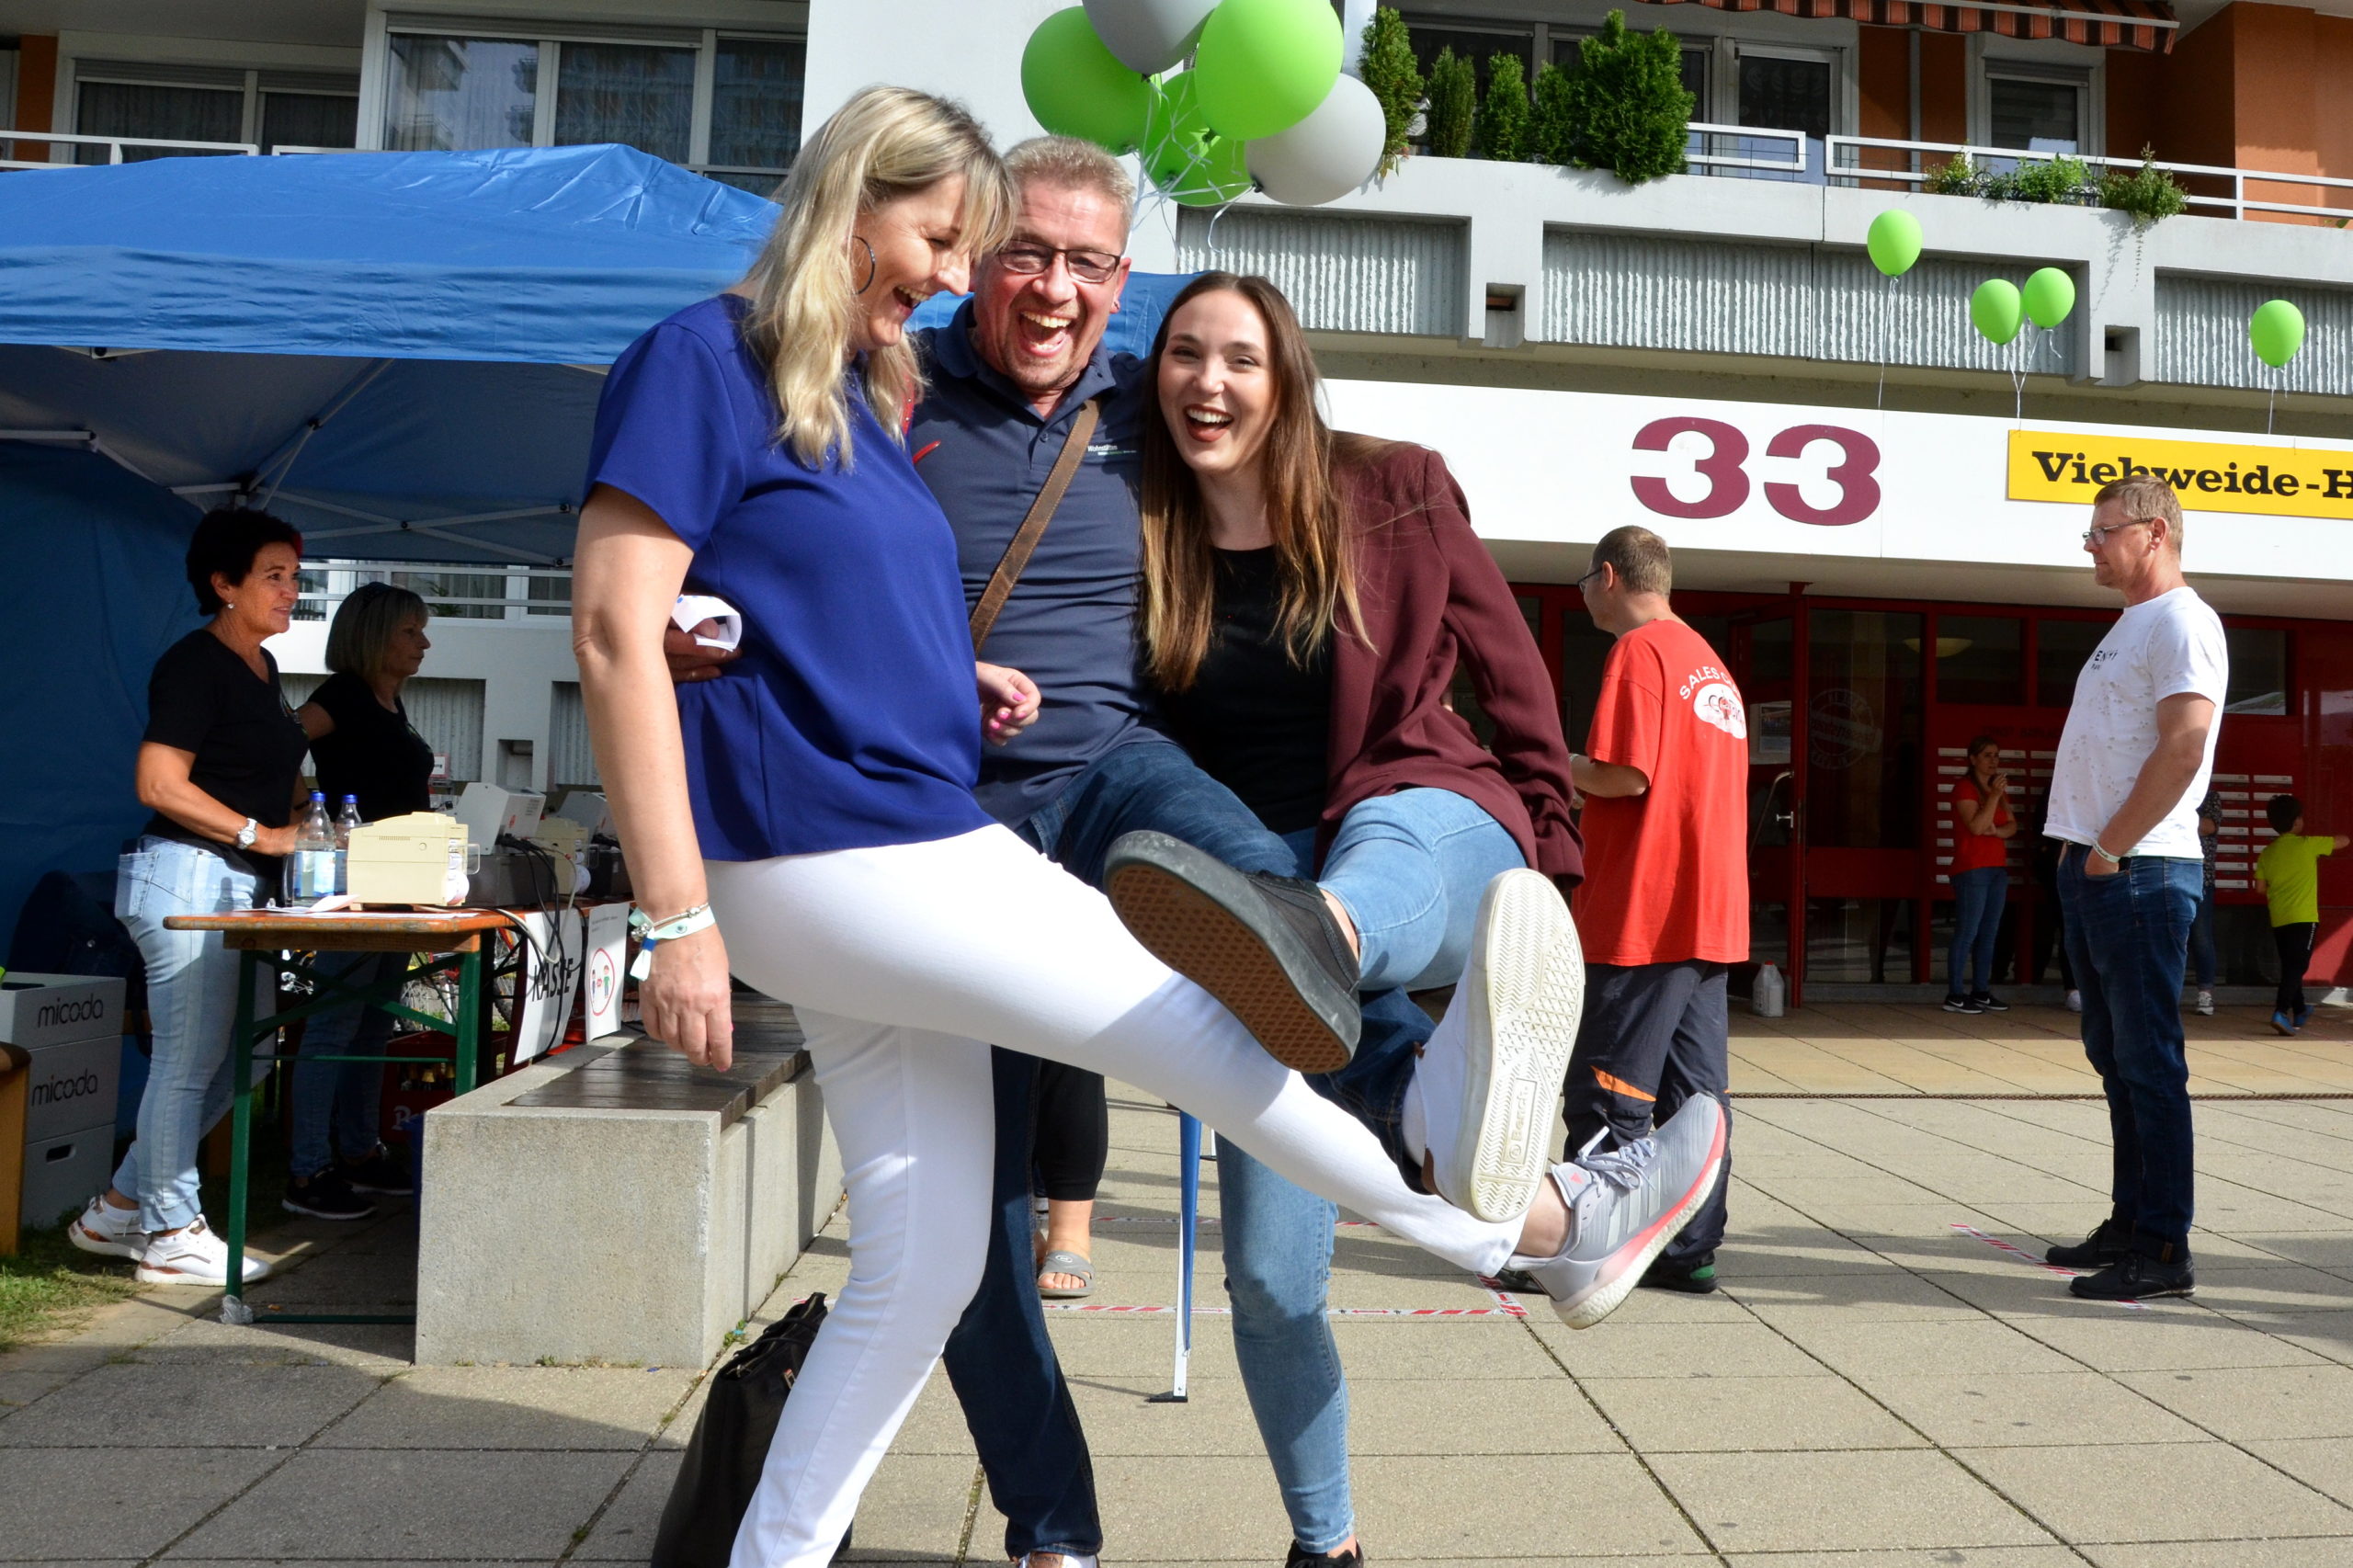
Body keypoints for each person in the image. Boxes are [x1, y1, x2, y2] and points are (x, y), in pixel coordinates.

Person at [578, 88, 1723, 1568]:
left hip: (902, 828)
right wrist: (674, 916)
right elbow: (612, 629)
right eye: (953, 241)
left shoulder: (860, 390)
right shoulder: (708, 356)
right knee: (1201, 1024)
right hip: (857, 846)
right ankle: (1547, 1227)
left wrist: (944, 674)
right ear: (857, 201)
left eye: (1002, 249)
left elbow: (788, 599)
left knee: (920, 1261)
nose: (955, 274)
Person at [1105, 270, 1585, 1222]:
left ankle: (1322, 935)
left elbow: (1511, 668)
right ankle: (1511, 1171)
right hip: (1259, 882)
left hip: (1427, 816)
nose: (1208, 379)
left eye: (1241, 359)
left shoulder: (1390, 486)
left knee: (1380, 839)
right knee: (1270, 1276)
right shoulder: (1142, 533)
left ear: (1285, 381)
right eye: (1185, 354)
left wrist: (1555, 845)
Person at [67, 507, 308, 1287]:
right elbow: (158, 783)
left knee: (252, 1054)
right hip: (187, 875)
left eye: (294, 576)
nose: (290, 590)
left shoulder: (263, 669)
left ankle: (117, 1209)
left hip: (237, 885)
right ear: (224, 584)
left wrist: (305, 823)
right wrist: (262, 834)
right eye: (273, 576)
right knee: (188, 1062)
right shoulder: (194, 663)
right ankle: (172, 1230)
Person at [2040, 474, 2226, 1303]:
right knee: (2117, 1059)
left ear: (2154, 533)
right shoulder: (2130, 625)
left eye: (2103, 530)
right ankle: (2130, 1223)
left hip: (2140, 868)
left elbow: (2185, 746)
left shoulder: (2183, 620)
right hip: (2102, 865)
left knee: (2149, 1062)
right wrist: (2082, 854)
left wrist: (2109, 849)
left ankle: (2162, 1248)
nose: (2091, 545)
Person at [1556, 525, 1749, 1296]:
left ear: (1608, 576)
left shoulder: (1639, 652)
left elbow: (1625, 776)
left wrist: (1560, 765)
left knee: (1611, 1090)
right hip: (1709, 910)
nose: (1582, 597)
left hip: (1646, 908)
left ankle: (1585, 1248)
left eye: (1584, 582)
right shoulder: (1708, 661)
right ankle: (1689, 1250)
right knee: (1696, 1102)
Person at [280, 582, 438, 1221]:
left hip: (400, 882)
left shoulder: (389, 701)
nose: (423, 643)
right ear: (375, 636)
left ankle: (358, 1150)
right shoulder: (343, 694)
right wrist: (306, 814)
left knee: (373, 1022)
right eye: (410, 631)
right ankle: (307, 1169)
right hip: (354, 883)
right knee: (335, 1021)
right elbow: (279, 744)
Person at [2253, 794, 2344, 1035]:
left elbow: (2260, 888)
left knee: (2290, 965)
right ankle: (2281, 1011)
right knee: (2298, 966)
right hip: (2304, 917)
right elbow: (2342, 842)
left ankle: (2301, 1009)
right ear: (2296, 822)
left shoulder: (2267, 853)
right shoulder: (2308, 844)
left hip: (2279, 918)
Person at [1944, 734, 2017, 1015]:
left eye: (1996, 755)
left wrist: (1996, 831)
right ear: (1973, 759)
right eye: (1987, 755)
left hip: (1996, 867)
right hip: (1972, 867)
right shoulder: (1965, 787)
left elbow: (2011, 826)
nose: (1993, 761)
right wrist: (1994, 797)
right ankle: (1954, 994)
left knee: (1989, 932)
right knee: (1968, 931)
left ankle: (1981, 990)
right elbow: (1975, 826)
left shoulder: (1998, 789)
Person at [2189, 788, 2221, 1015]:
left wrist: (2176, 817)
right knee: (2170, 937)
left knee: (2201, 937)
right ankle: (2167, 993)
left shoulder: (2210, 795)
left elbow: (2209, 826)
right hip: (2169, 874)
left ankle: (2205, 994)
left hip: (2202, 877)